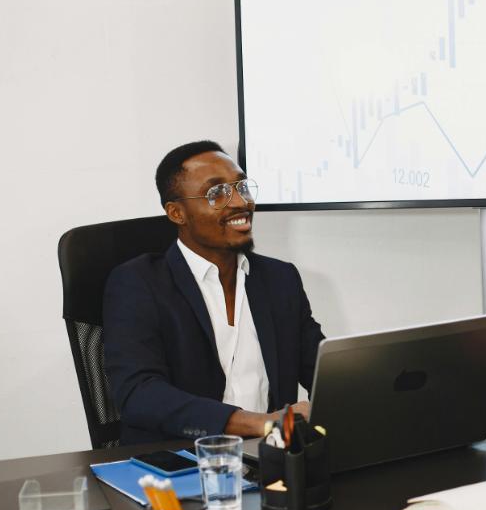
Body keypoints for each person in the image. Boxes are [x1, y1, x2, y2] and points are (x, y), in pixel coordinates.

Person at [103, 141, 325, 444]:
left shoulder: (280, 279)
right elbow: (139, 393)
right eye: (217, 193)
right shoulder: (138, 283)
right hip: (181, 463)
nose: (240, 202)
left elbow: (322, 372)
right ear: (177, 213)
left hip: (270, 459)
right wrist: (260, 423)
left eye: (241, 187)